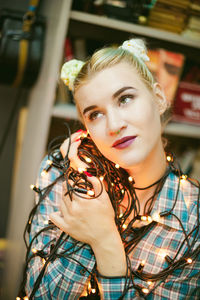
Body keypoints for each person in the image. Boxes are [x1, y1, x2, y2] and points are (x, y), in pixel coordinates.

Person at [21, 39, 200, 300]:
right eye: (95, 114)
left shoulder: (193, 217)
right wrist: (84, 188)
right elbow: (43, 295)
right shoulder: (58, 175)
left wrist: (106, 241)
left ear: (159, 98)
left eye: (125, 99)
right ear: (85, 127)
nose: (114, 125)